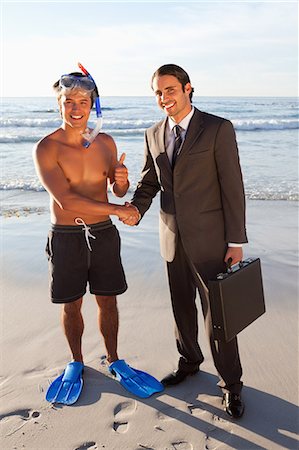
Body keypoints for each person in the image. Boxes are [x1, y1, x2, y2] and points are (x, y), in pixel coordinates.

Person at [124, 64, 247, 418]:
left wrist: (235, 240)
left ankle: (231, 385)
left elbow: (232, 187)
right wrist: (134, 209)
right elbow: (150, 183)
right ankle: (190, 361)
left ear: (187, 89)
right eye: (158, 93)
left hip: (211, 241)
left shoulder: (217, 128)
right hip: (171, 237)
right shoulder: (152, 133)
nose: (164, 98)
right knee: (181, 308)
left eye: (170, 90)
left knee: (218, 317)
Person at [33, 70, 139, 371]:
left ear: (93, 105)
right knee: (72, 302)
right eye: (69, 102)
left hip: (103, 233)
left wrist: (121, 181)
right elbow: (65, 199)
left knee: (108, 300)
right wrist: (119, 209)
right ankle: (76, 361)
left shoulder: (105, 143)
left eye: (83, 101)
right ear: (59, 104)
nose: (76, 109)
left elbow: (117, 190)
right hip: (67, 235)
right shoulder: (46, 148)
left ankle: (114, 358)